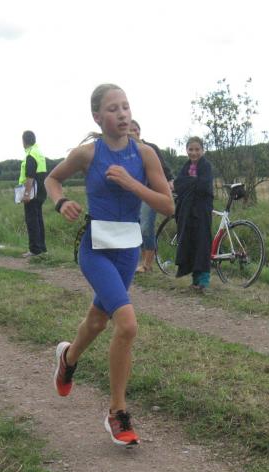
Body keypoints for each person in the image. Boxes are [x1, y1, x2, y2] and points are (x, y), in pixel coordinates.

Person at [45, 83, 174, 447]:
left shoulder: (145, 154)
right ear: (97, 117)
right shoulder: (88, 154)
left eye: (126, 107)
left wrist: (133, 184)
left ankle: (68, 358)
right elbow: (52, 179)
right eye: (113, 108)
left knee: (98, 320)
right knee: (127, 325)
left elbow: (168, 206)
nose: (122, 114)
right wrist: (61, 202)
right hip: (96, 250)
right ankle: (117, 412)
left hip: (128, 252)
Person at [128, 119, 174, 273]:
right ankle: (143, 261)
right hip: (133, 194)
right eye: (131, 130)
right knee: (136, 228)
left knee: (146, 227)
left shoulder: (150, 148)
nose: (134, 132)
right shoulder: (125, 151)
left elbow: (163, 167)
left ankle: (147, 264)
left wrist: (170, 180)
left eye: (136, 129)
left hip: (151, 192)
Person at [173, 136, 214, 292]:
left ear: (203, 150)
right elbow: (178, 185)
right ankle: (195, 280)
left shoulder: (206, 166)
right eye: (191, 149)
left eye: (197, 149)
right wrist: (192, 182)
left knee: (202, 243)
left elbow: (204, 186)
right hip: (187, 212)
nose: (194, 152)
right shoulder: (185, 167)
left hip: (202, 211)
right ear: (186, 150)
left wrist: (188, 183)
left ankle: (203, 280)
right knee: (190, 242)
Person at [19, 130, 48, 257]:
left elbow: (30, 176)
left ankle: (35, 250)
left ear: (24, 141)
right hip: (41, 190)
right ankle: (42, 248)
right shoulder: (39, 152)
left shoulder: (30, 154)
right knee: (38, 220)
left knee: (32, 221)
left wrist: (26, 194)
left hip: (33, 193)